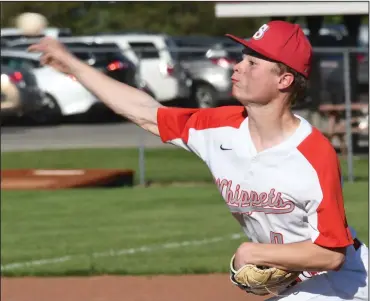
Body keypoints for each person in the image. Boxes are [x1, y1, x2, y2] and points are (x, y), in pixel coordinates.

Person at [28, 20, 368, 301]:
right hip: (296, 285)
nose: (238, 66)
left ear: (284, 80)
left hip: (344, 283)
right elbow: (145, 111)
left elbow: (331, 254)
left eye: (253, 63)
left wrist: (255, 252)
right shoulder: (218, 128)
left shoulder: (313, 153)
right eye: (242, 57)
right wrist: (71, 64)